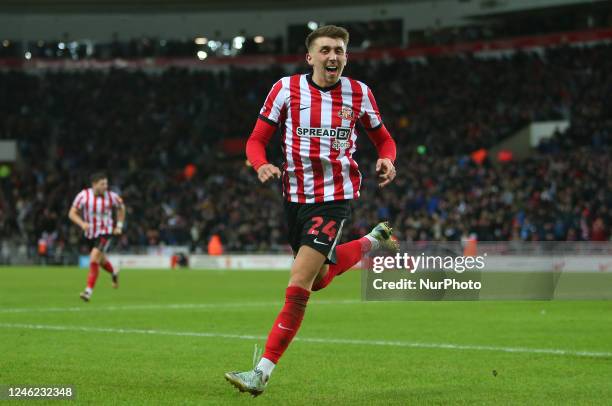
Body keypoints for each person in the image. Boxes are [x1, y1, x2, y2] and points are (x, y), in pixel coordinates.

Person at [225, 25, 398, 396]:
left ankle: (261, 373)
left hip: (334, 197)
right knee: (319, 279)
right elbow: (257, 140)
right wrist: (260, 165)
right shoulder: (285, 89)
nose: (332, 56)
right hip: (294, 197)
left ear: (346, 56)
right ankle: (372, 241)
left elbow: (383, 138)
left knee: (299, 284)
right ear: (310, 56)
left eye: (339, 50)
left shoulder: (359, 93)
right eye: (325, 50)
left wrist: (387, 158)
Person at [68, 172, 126, 302]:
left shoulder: (112, 196)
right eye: (102, 184)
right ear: (94, 184)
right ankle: (114, 271)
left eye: (106, 183)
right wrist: (82, 223)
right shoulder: (83, 196)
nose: (106, 186)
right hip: (90, 233)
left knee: (93, 258)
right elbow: (71, 213)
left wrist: (119, 225)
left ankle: (88, 292)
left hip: (106, 232)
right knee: (101, 260)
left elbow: (121, 208)